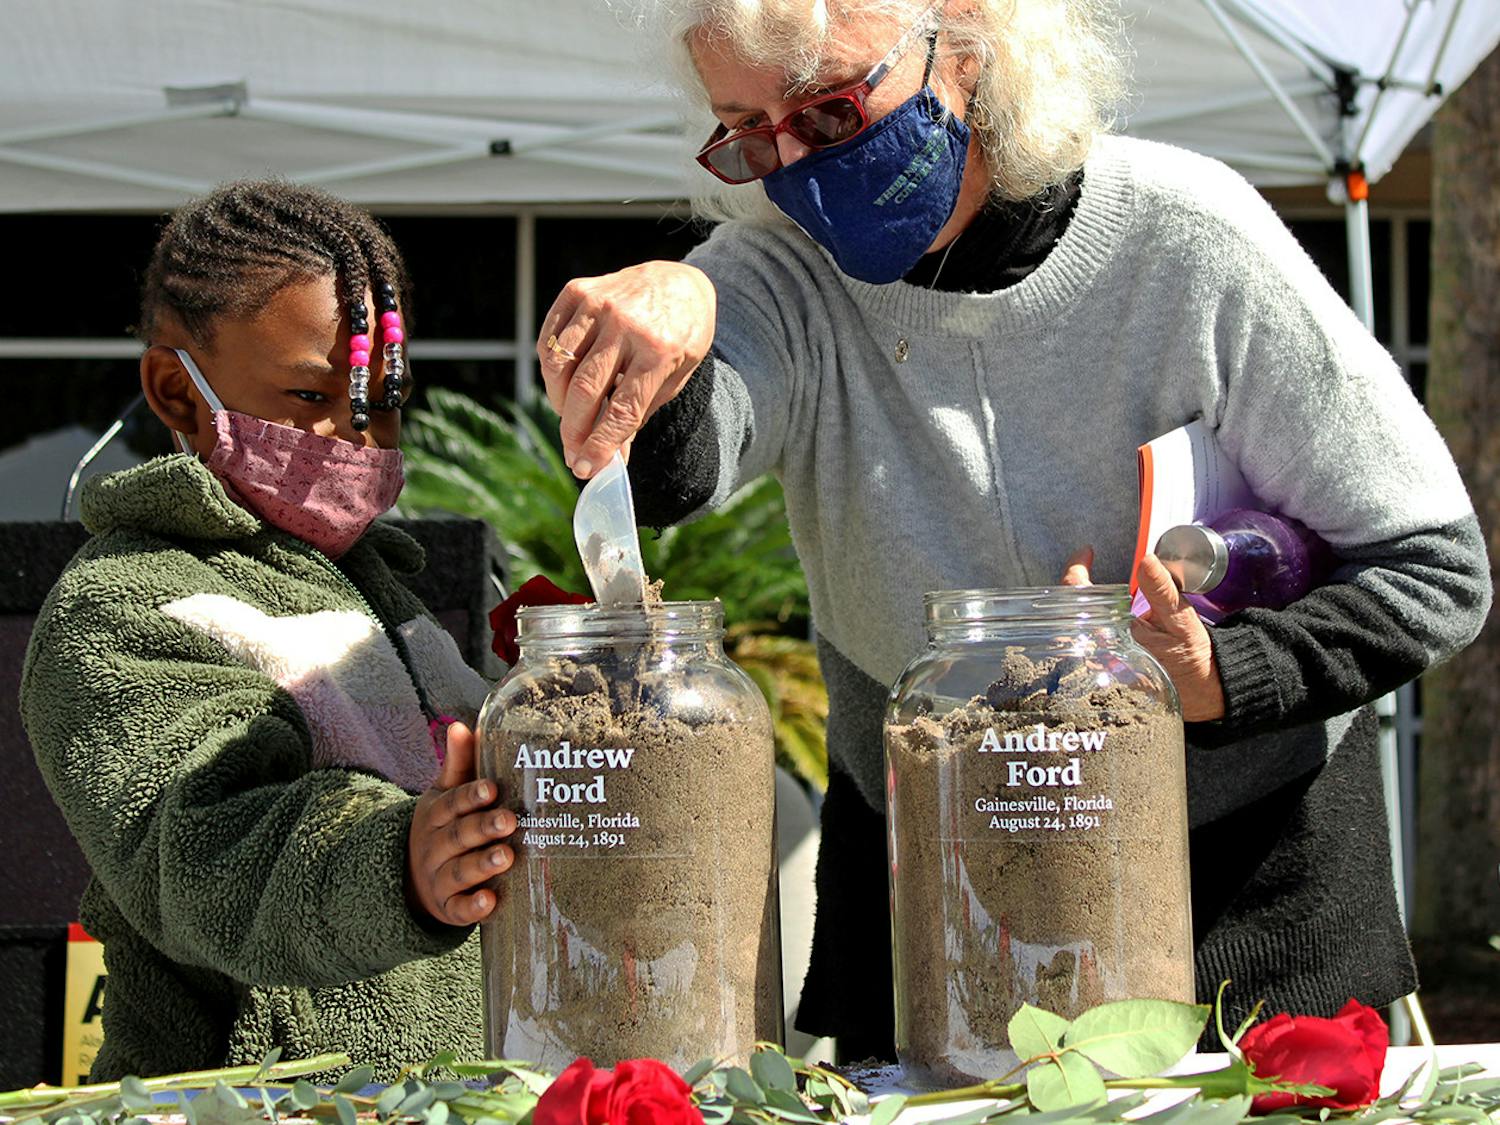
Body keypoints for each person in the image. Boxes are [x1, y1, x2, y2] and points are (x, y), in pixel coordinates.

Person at [535, 0, 1492, 1059]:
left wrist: (1222, 677)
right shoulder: (782, 272)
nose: (799, 164)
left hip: (1237, 904)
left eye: (836, 113)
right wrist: (672, 314)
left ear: (967, 45)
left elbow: (1432, 569)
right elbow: (683, 470)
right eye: (752, 133)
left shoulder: (1190, 241)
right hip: (927, 907)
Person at [21, 181, 513, 1081]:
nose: (356, 436)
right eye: (310, 394)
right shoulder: (122, 609)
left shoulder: (394, 604)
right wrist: (397, 859)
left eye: (381, 398)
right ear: (176, 390)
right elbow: (199, 851)